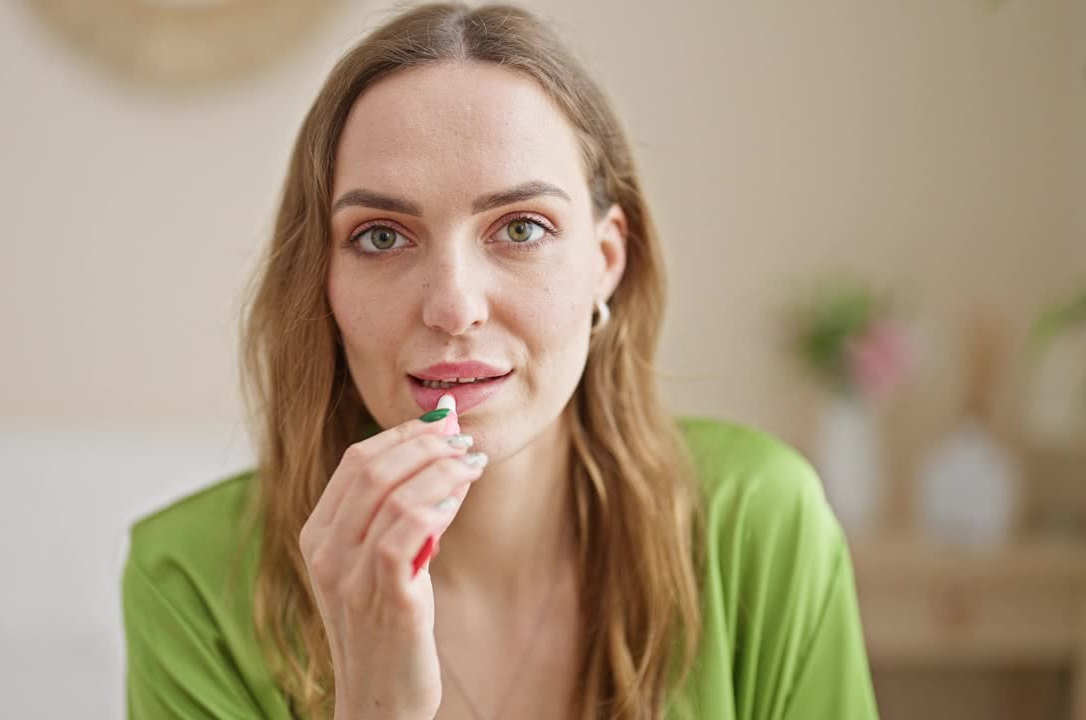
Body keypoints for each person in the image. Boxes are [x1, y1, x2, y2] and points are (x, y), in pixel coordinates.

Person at [121, 3, 879, 718]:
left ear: (607, 260)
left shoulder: (759, 523)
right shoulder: (190, 581)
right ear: (320, 281)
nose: (453, 308)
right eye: (382, 236)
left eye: (520, 228)